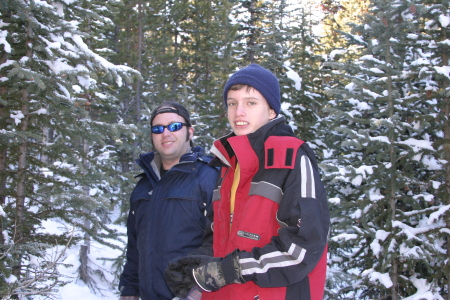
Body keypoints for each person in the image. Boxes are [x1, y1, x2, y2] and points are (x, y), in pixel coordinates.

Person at [164, 64, 330, 300]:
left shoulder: (292, 157)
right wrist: (197, 266)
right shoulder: (229, 163)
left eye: (250, 103)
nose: (239, 112)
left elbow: (302, 249)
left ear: (271, 111)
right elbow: (219, 235)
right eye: (232, 103)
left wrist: (224, 271)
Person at [118, 101, 219, 300]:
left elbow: (222, 242)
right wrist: (130, 289)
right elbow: (135, 248)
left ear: (190, 132)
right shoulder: (144, 186)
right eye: (158, 129)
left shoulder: (210, 178)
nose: (166, 133)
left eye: (174, 126)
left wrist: (197, 291)